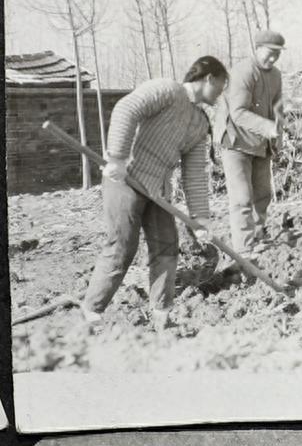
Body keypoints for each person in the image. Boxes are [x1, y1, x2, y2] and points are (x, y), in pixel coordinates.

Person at [82, 56, 228, 329]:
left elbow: (194, 173)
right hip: (125, 179)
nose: (221, 92)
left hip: (157, 191)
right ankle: (92, 312)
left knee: (166, 246)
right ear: (209, 78)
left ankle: (161, 314)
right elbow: (126, 108)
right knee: (123, 246)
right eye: (221, 85)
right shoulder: (167, 90)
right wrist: (117, 158)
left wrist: (201, 219)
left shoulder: (199, 122)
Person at [214, 29, 285, 256]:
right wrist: (268, 128)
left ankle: (257, 233)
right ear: (257, 49)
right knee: (242, 197)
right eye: (269, 52)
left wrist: (278, 137)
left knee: (262, 193)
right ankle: (244, 248)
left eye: (277, 53)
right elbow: (238, 113)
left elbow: (277, 108)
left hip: (260, 142)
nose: (273, 58)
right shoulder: (243, 71)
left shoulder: (276, 75)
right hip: (236, 141)